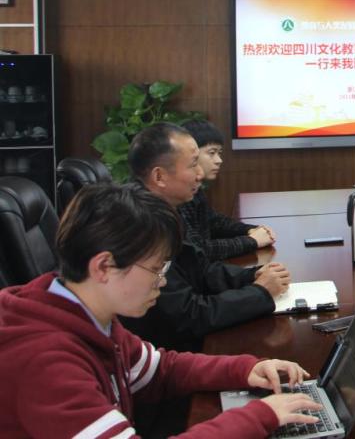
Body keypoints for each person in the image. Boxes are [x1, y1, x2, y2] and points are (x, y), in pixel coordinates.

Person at [0, 183, 322, 438]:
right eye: (156, 268)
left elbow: (160, 370)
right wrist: (261, 415)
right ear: (103, 267)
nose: (163, 280)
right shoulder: (45, 362)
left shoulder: (86, 314)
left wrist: (246, 369)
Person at [122, 122, 289, 351]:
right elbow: (187, 316)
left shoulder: (164, 209)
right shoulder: (139, 224)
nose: (200, 174)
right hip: (167, 352)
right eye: (193, 165)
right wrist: (260, 293)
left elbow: (199, 269)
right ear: (159, 176)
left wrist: (251, 276)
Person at [180, 119, 276, 261]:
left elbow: (214, 222)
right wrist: (252, 241)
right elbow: (199, 250)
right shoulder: (177, 194)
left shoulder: (194, 187)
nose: (219, 160)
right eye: (211, 153)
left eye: (219, 153)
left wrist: (249, 230)